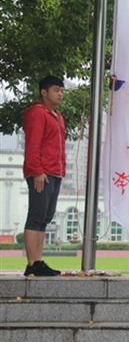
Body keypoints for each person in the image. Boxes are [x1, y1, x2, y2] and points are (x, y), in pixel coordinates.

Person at [22, 75, 66, 277]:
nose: (60, 94)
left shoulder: (57, 116)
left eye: (62, 91)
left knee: (45, 218)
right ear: (44, 92)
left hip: (55, 172)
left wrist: (61, 171)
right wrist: (37, 170)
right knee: (37, 215)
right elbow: (33, 144)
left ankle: (38, 261)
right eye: (56, 90)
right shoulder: (37, 113)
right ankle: (32, 263)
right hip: (41, 172)